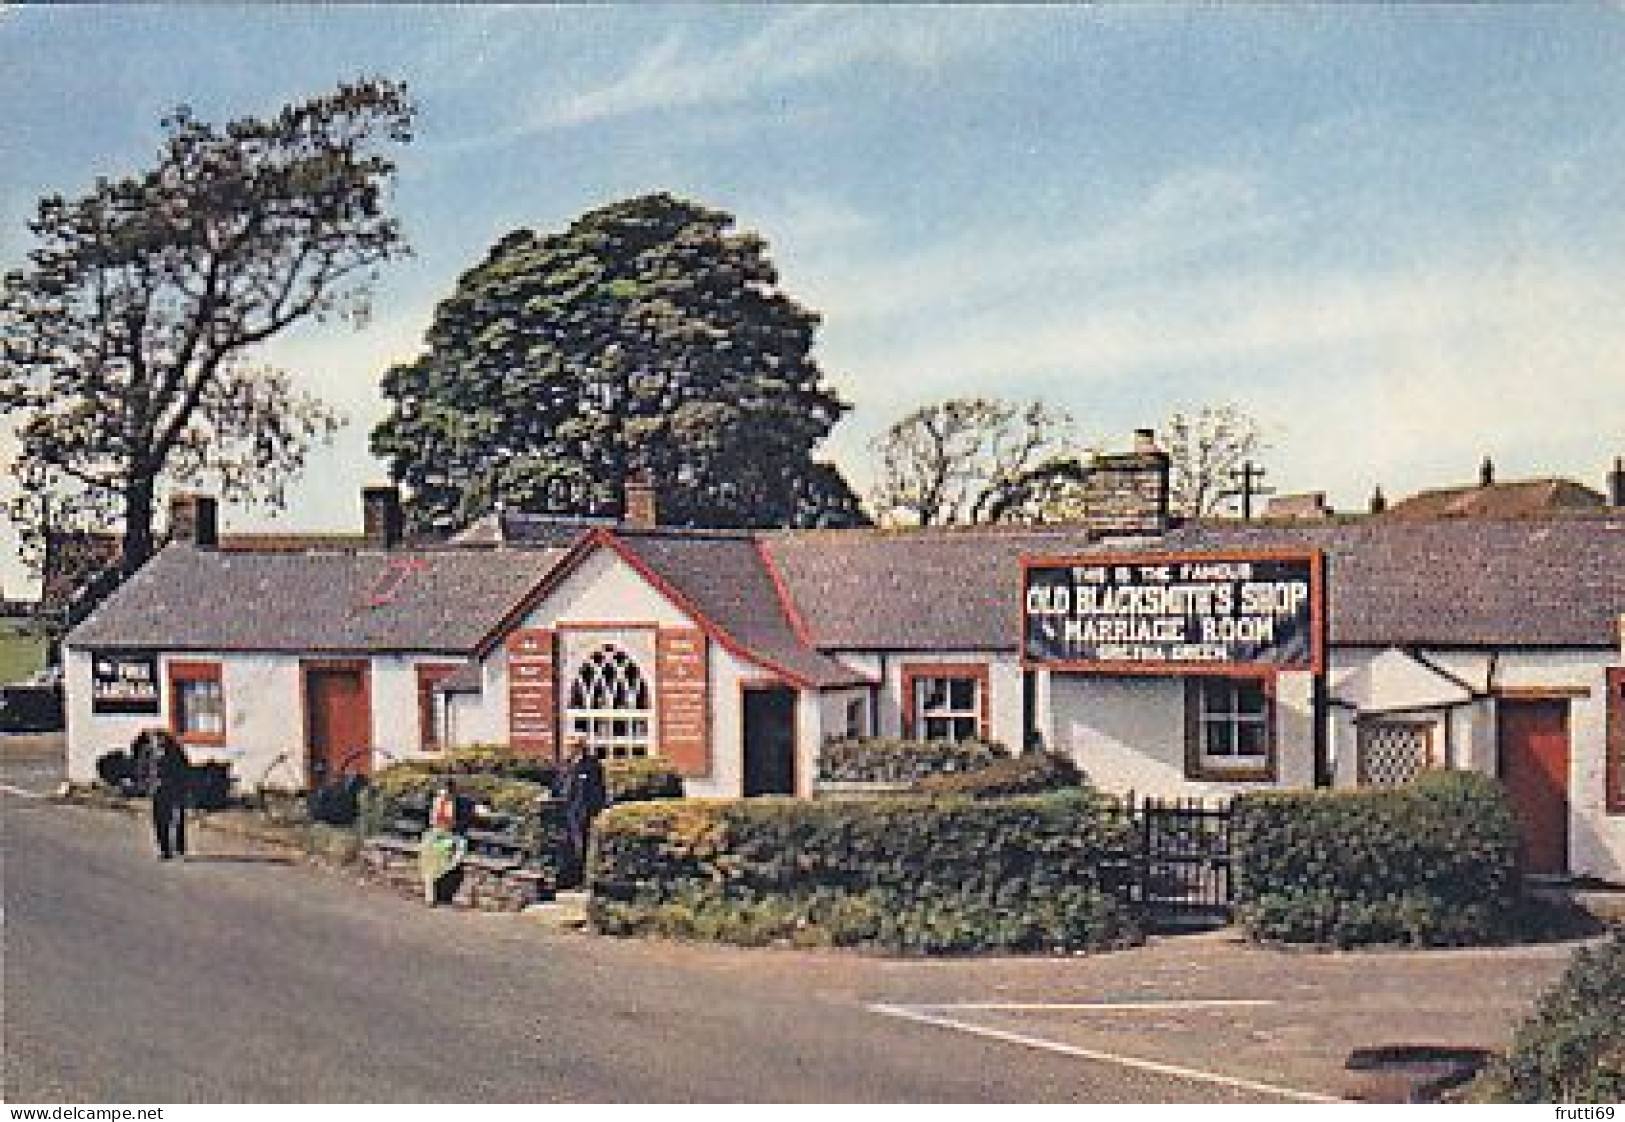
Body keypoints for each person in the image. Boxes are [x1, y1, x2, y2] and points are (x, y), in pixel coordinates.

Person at [555, 734, 609, 888]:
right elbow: (558, 785)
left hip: (583, 813)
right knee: (569, 847)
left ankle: (583, 881)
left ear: (579, 747)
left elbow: (598, 791)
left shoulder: (591, 765)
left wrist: (595, 812)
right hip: (566, 811)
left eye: (570, 747)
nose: (567, 750)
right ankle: (569, 879)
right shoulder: (565, 765)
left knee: (583, 847)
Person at [419, 778, 467, 905]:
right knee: (429, 857)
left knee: (454, 854)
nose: (444, 793)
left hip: (450, 836)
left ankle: (443, 880)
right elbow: (430, 821)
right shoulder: (435, 801)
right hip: (435, 834)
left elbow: (460, 821)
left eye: (448, 791)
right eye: (442, 791)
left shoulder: (459, 802)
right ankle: (430, 896)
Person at [147, 729, 191, 860]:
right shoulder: (152, 753)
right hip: (159, 791)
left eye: (158, 739)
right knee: (160, 821)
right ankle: (165, 850)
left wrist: (184, 789)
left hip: (174, 789)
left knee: (177, 820)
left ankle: (179, 848)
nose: (156, 742)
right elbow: (148, 770)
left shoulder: (176, 752)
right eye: (154, 739)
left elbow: (184, 771)